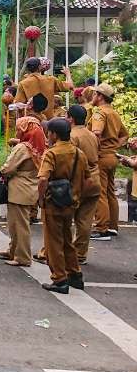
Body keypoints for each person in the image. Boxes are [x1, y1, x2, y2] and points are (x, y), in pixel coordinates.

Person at [38, 118, 87, 294]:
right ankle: (75, 274)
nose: (48, 135)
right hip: (71, 202)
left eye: (49, 132)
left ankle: (59, 278)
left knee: (53, 243)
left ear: (54, 134)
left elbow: (43, 178)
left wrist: (41, 198)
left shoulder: (52, 153)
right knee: (67, 239)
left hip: (54, 203)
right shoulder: (78, 153)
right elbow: (85, 177)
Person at [0, 116, 45, 267]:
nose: (16, 132)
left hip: (19, 189)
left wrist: (1, 173)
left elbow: (8, 168)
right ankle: (13, 250)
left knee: (20, 225)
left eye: (18, 129)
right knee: (16, 223)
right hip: (30, 187)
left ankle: (22, 257)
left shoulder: (23, 148)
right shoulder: (38, 146)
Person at [89, 83, 127, 240]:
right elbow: (125, 135)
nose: (92, 97)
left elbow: (96, 132)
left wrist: (95, 149)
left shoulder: (100, 113)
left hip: (101, 157)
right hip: (112, 156)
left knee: (100, 192)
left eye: (94, 94)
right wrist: (113, 146)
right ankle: (112, 226)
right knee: (110, 191)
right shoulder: (114, 113)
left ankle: (102, 228)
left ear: (100, 97)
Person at [67, 105, 100, 264]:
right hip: (94, 179)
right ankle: (80, 254)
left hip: (79, 180)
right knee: (85, 221)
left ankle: (60, 253)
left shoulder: (72, 136)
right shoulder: (92, 135)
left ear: (71, 119)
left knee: (64, 219)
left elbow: (70, 161)